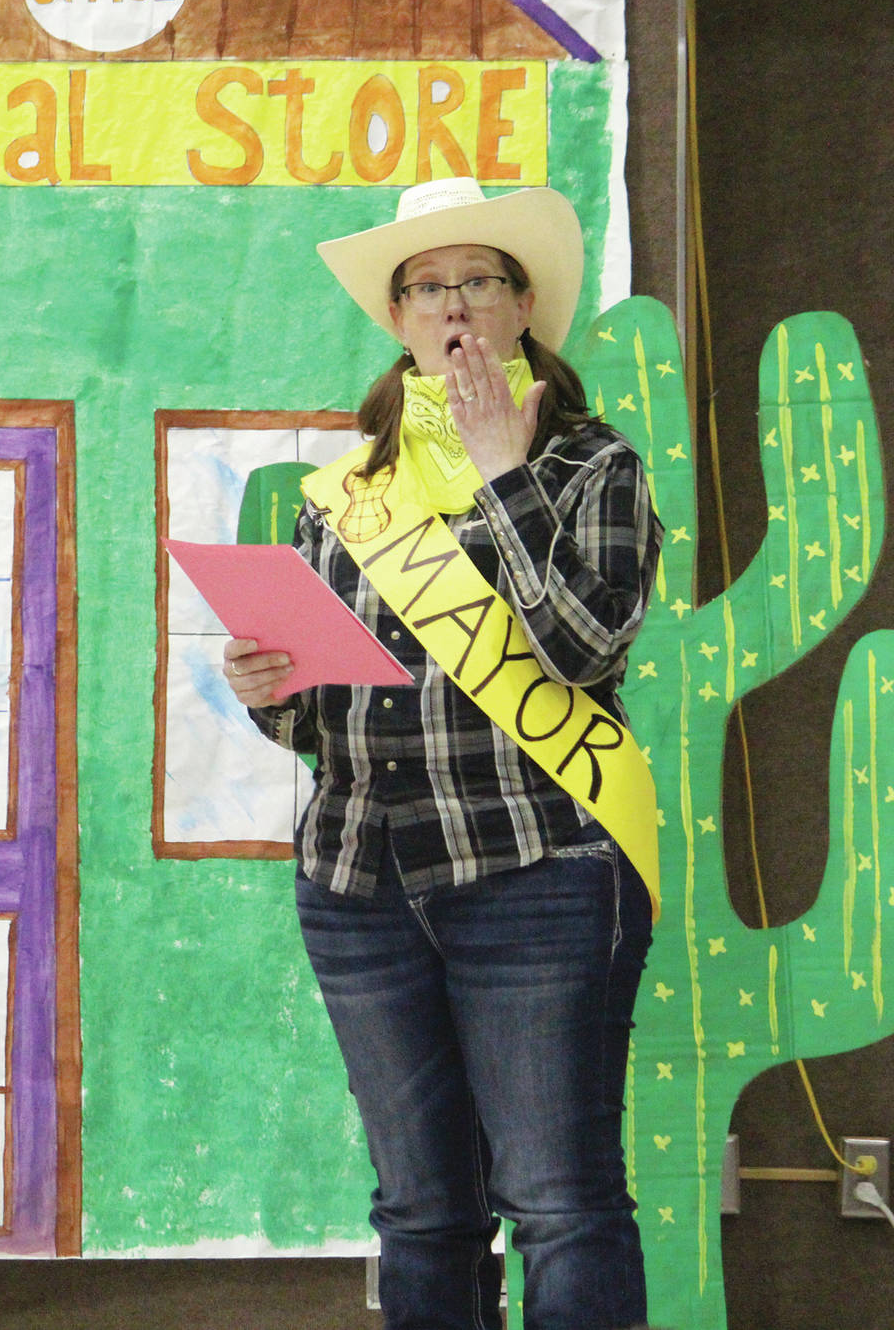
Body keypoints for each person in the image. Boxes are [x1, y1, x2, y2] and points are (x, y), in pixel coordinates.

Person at [224, 179, 664, 1330]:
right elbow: (328, 717)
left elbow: (579, 651)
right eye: (427, 287)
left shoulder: (589, 467)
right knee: (419, 1211)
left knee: (558, 1201)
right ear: (398, 316)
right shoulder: (347, 493)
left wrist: (499, 471)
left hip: (536, 870)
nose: (453, 306)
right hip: (359, 881)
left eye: (478, 281)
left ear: (523, 306)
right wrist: (269, 691)